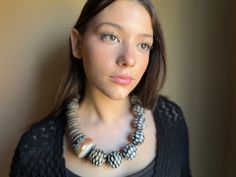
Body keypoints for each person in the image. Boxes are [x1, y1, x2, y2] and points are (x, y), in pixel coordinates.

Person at [10, 0, 191, 177]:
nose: (129, 59)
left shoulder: (171, 121)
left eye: (143, 44)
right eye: (111, 36)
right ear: (77, 44)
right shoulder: (34, 151)